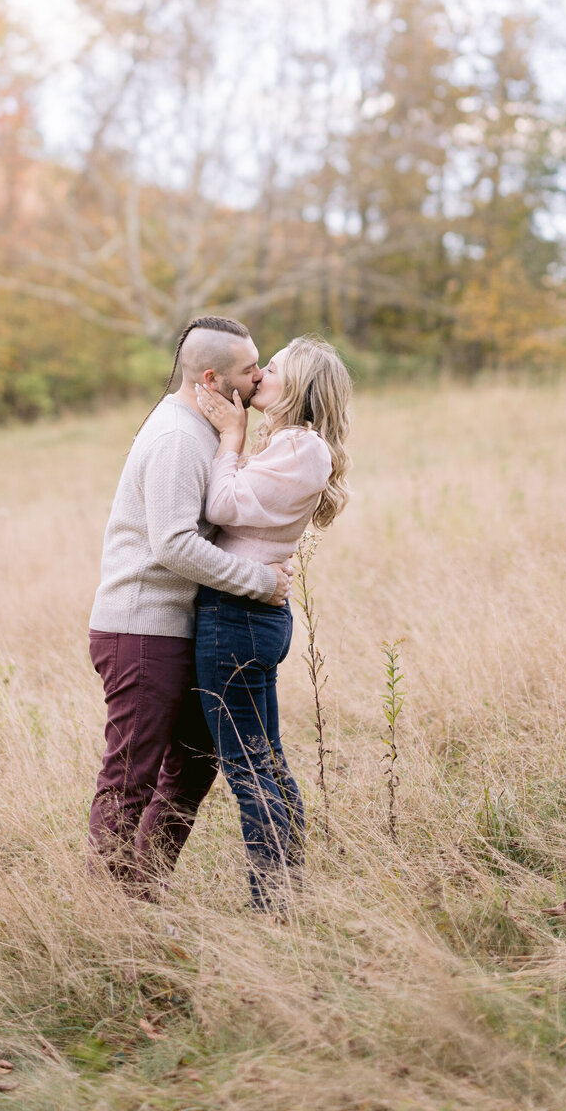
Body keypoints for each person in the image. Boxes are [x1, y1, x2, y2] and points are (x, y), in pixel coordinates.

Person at [87, 316, 293, 896]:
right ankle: (104, 912)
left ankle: (141, 889)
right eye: (249, 369)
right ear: (210, 377)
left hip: (174, 630)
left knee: (194, 763)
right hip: (141, 630)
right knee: (131, 774)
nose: (258, 378)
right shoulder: (178, 437)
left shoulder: (208, 428)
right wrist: (258, 580)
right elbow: (173, 544)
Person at [193, 335, 352, 910]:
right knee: (264, 760)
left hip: (237, 618)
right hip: (246, 615)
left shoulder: (303, 450)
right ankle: (284, 898)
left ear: (299, 389)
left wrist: (230, 440)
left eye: (273, 369)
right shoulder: (290, 445)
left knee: (249, 767)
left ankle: (275, 904)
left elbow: (222, 507)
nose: (258, 376)